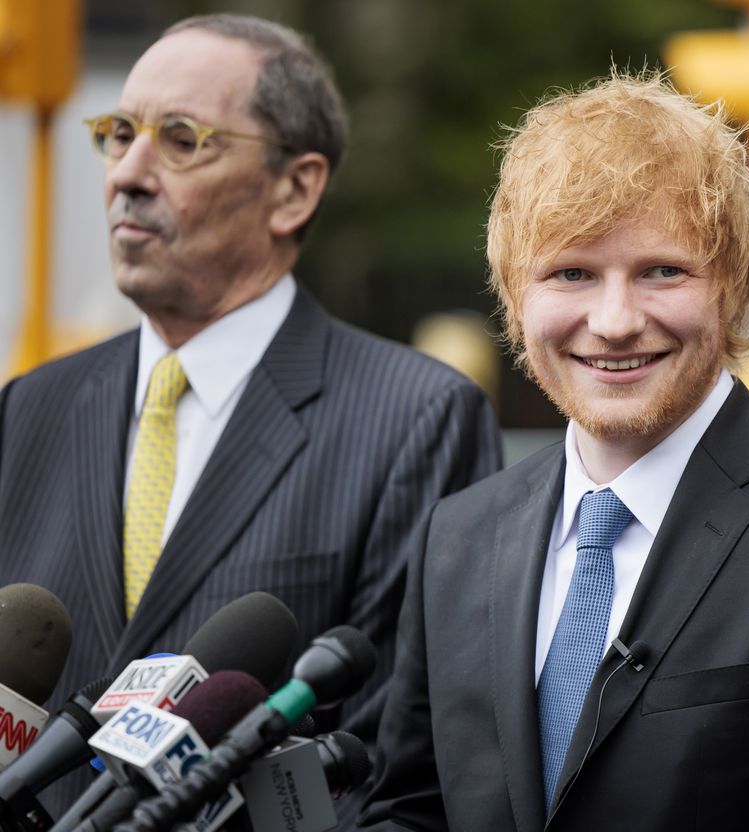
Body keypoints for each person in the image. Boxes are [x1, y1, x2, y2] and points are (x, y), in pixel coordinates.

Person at [359, 72, 749, 831]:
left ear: (734, 288)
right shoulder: (458, 536)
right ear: (516, 299)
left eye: (662, 271)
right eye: (572, 274)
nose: (616, 319)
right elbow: (413, 811)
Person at [0, 13, 501, 814]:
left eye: (180, 139)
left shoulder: (416, 418)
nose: (127, 173)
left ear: (294, 189)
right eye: (119, 133)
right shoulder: (33, 406)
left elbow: (401, 768)